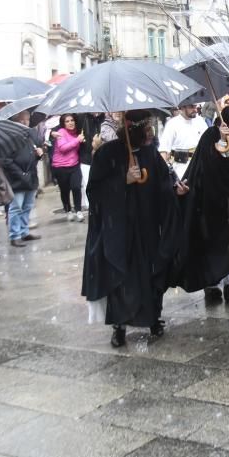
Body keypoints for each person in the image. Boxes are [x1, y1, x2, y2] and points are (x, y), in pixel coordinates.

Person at [82, 109, 187, 347]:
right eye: (147, 129)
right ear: (133, 130)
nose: (151, 133)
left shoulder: (150, 152)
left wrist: (174, 189)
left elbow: (162, 181)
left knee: (150, 273)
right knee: (124, 277)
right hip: (120, 229)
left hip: (147, 226)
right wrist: (122, 180)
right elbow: (95, 191)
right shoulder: (107, 153)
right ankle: (119, 326)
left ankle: (152, 318)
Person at [173, 105, 229, 302]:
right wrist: (221, 141)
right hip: (209, 201)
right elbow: (211, 166)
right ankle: (212, 285)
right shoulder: (210, 136)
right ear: (225, 125)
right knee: (212, 244)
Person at [1, 111, 43, 247]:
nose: (25, 122)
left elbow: (33, 156)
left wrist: (38, 155)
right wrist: (21, 174)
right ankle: (15, 235)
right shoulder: (9, 138)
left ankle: (24, 232)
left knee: (27, 206)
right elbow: (6, 161)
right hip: (16, 179)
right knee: (16, 207)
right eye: (22, 120)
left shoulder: (30, 135)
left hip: (30, 176)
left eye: (27, 119)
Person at [159, 103, 207, 180]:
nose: (195, 110)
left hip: (200, 165)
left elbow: (208, 142)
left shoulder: (200, 121)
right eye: (191, 106)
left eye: (196, 106)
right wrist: (163, 175)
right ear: (182, 107)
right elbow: (163, 150)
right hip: (180, 169)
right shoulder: (172, 124)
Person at [51, 113, 85, 221]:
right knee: (65, 190)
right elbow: (62, 148)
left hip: (74, 165)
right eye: (67, 121)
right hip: (60, 167)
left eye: (72, 120)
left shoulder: (77, 133)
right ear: (63, 123)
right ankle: (68, 210)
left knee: (76, 187)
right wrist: (77, 141)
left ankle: (78, 211)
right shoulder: (61, 132)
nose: (70, 123)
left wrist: (81, 141)